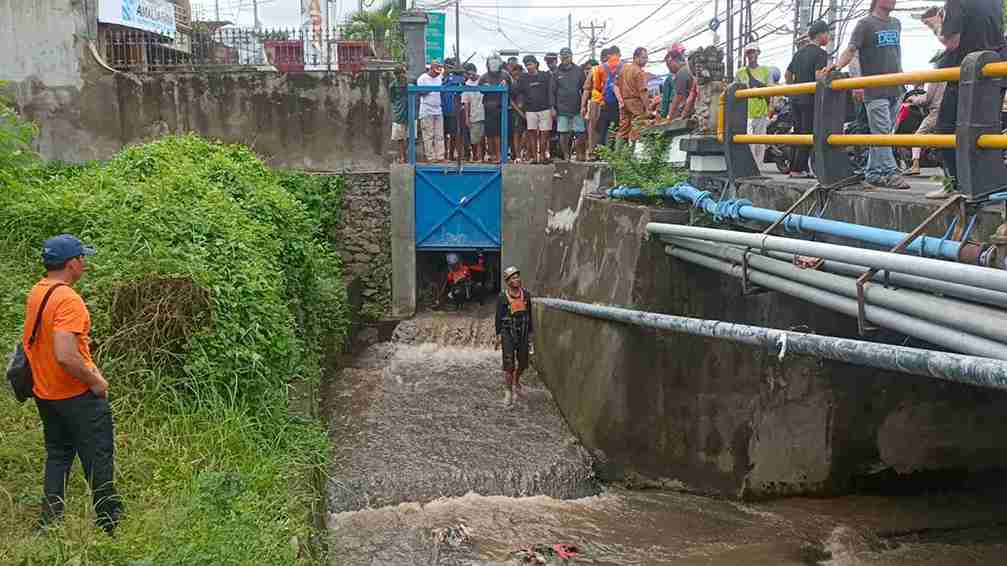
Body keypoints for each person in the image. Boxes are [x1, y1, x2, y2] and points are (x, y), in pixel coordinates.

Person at [24, 235, 121, 534]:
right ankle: (110, 525)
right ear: (72, 263)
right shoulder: (68, 299)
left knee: (58, 455)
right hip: (75, 394)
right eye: (83, 258)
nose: (85, 264)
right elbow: (66, 354)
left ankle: (49, 523)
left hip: (46, 393)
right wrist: (96, 382)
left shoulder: (38, 291)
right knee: (98, 457)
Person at [820, 0, 910, 189]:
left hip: (896, 88)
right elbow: (851, 50)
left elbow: (896, 53)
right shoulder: (865, 24)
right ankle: (890, 172)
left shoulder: (896, 23)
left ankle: (873, 173)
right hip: (875, 90)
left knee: (884, 134)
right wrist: (837, 66)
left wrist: (903, 79)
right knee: (883, 134)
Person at [929, 0, 1005, 198]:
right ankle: (987, 184)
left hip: (968, 73)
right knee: (986, 131)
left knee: (945, 129)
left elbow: (951, 42)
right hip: (994, 71)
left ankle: (954, 184)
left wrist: (936, 25)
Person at [787, 21, 831, 178]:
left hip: (795, 99)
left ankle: (797, 168)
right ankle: (798, 169)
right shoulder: (821, 54)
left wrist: (792, 90)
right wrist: (830, 72)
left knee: (798, 132)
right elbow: (818, 76)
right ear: (821, 34)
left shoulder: (799, 53)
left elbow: (788, 73)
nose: (829, 37)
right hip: (809, 99)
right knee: (808, 133)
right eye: (828, 33)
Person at [494, 266, 533, 406]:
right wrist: (498, 335)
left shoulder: (526, 295)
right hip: (507, 332)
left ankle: (516, 380)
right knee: (509, 363)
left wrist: (530, 335)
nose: (517, 279)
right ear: (508, 281)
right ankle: (508, 391)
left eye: (518, 276)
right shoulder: (502, 297)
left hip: (522, 331)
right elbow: (498, 317)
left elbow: (530, 315)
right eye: (513, 278)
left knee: (523, 362)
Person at [736, 43, 773, 164]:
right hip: (746, 111)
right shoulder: (740, 73)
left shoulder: (765, 71)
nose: (751, 55)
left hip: (761, 109)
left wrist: (771, 107)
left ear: (758, 53)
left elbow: (771, 90)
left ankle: (759, 167)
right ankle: (749, 166)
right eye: (749, 52)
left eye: (753, 52)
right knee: (749, 141)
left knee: (760, 141)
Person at [516, 54, 556, 164]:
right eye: (526, 65)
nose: (529, 67)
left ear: (536, 64)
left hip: (545, 109)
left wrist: (552, 107)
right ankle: (535, 157)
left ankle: (542, 156)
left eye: (530, 64)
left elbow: (551, 91)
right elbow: (516, 92)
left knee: (545, 134)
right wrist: (520, 105)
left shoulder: (545, 75)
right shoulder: (522, 78)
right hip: (530, 110)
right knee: (532, 134)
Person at [554, 47, 587, 161]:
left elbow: (585, 89)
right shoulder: (556, 72)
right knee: (563, 134)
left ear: (571, 57)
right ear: (560, 58)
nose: (565, 59)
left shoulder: (579, 70)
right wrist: (552, 108)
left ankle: (579, 154)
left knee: (580, 133)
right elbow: (552, 91)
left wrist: (584, 106)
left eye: (567, 56)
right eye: (563, 57)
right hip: (561, 108)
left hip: (577, 107)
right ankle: (566, 155)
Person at [479, 54, 511, 163]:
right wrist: (485, 87)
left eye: (495, 62)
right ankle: (492, 155)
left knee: (499, 134)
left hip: (501, 108)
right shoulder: (484, 77)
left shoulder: (505, 75)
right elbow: (480, 89)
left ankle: (499, 156)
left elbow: (513, 88)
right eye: (491, 62)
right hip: (488, 108)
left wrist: (506, 84)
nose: (493, 65)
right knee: (490, 134)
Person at [617, 47, 650, 148]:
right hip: (635, 102)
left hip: (624, 101)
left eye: (646, 58)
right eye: (644, 57)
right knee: (638, 127)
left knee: (623, 129)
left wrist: (621, 101)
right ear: (636, 57)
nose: (646, 60)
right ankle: (633, 154)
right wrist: (647, 108)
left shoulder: (624, 69)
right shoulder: (639, 72)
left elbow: (617, 85)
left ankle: (618, 155)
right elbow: (643, 92)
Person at [594, 46, 623, 148]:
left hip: (607, 102)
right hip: (610, 102)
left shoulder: (606, 68)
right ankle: (606, 151)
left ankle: (604, 151)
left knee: (606, 128)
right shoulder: (615, 67)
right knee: (610, 128)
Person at [417, 60, 445, 162]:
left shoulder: (440, 78)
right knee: (428, 135)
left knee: (439, 135)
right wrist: (431, 89)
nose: (437, 74)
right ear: (431, 69)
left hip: (438, 109)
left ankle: (440, 156)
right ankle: (430, 157)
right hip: (426, 109)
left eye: (438, 72)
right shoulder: (423, 78)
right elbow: (420, 92)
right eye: (435, 72)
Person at [582, 50, 608, 158]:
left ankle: (603, 152)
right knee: (593, 128)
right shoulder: (595, 71)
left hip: (608, 104)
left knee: (606, 129)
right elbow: (586, 90)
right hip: (594, 103)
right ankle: (592, 152)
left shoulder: (615, 71)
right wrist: (583, 106)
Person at [441, 57, 467, 161]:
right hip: (442, 110)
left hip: (454, 111)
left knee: (454, 134)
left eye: (448, 66)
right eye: (445, 66)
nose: (446, 68)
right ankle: (445, 154)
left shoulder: (457, 79)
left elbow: (462, 88)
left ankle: (453, 154)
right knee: (443, 134)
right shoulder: (442, 79)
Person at [462, 62, 485, 162]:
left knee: (484, 138)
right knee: (475, 139)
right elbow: (466, 103)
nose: (471, 76)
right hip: (474, 115)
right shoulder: (466, 85)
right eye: (468, 74)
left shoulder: (483, 80)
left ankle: (482, 157)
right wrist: (467, 118)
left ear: (476, 71)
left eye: (472, 73)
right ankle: (476, 157)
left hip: (485, 113)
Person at [664, 46, 693, 121]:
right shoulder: (688, 68)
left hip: (690, 111)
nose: (669, 69)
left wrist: (669, 116)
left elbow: (678, 97)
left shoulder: (681, 73)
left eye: (668, 65)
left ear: (672, 61)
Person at [389, 66, 410, 163]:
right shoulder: (393, 85)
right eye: (399, 74)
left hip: (410, 113)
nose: (402, 76)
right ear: (396, 75)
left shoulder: (410, 84)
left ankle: (408, 156)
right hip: (399, 114)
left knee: (411, 137)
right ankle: (402, 157)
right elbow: (392, 99)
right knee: (399, 138)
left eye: (403, 73)